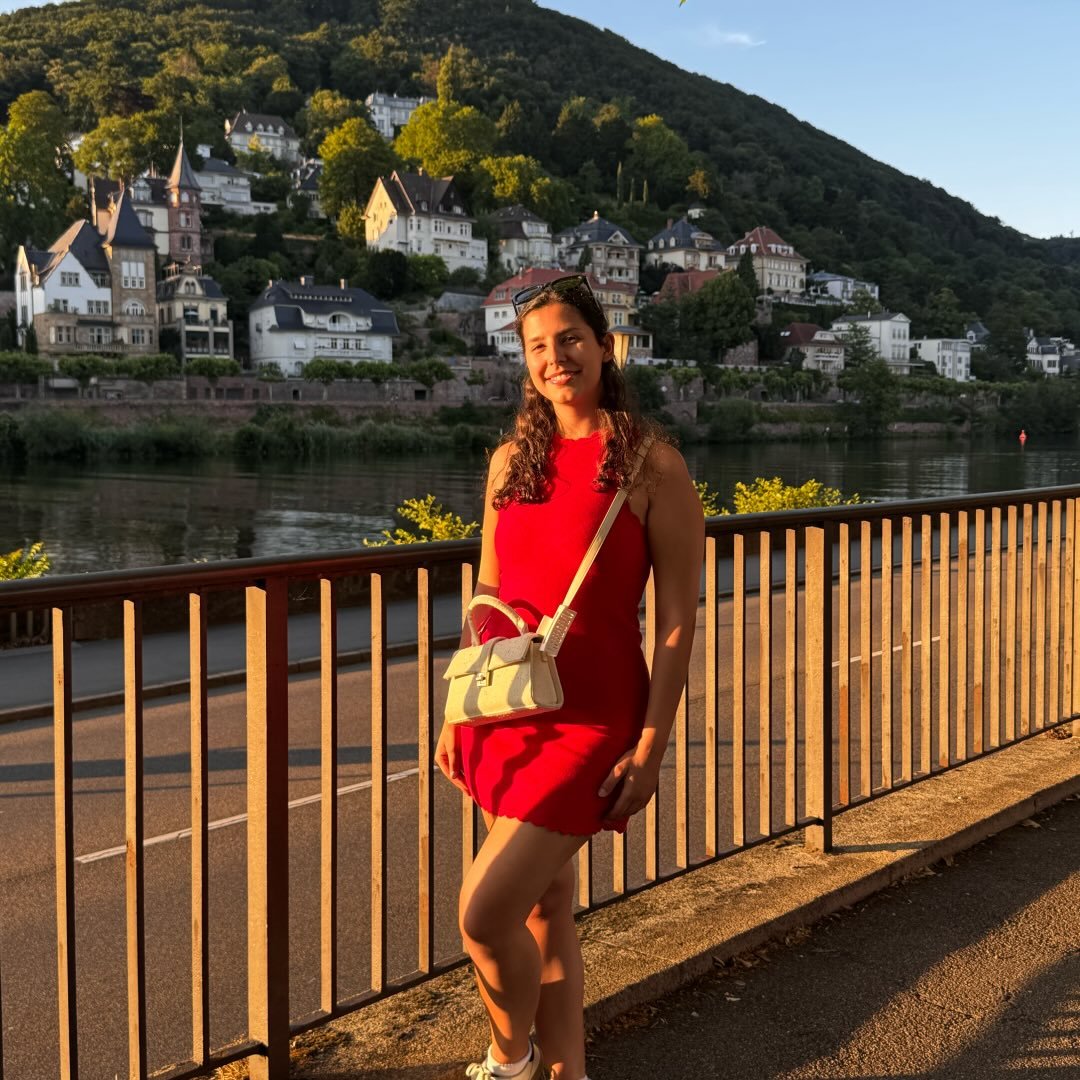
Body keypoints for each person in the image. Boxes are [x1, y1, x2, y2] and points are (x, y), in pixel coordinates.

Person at [436, 274, 704, 1080]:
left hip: (593, 717)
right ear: (525, 363)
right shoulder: (509, 462)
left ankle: (507, 1059)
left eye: (570, 340)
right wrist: (456, 712)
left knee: (484, 914)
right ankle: (566, 1071)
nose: (556, 358)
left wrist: (650, 748)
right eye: (538, 347)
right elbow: (488, 593)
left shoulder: (654, 465)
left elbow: (676, 622)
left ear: (605, 346)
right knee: (547, 904)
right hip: (509, 705)